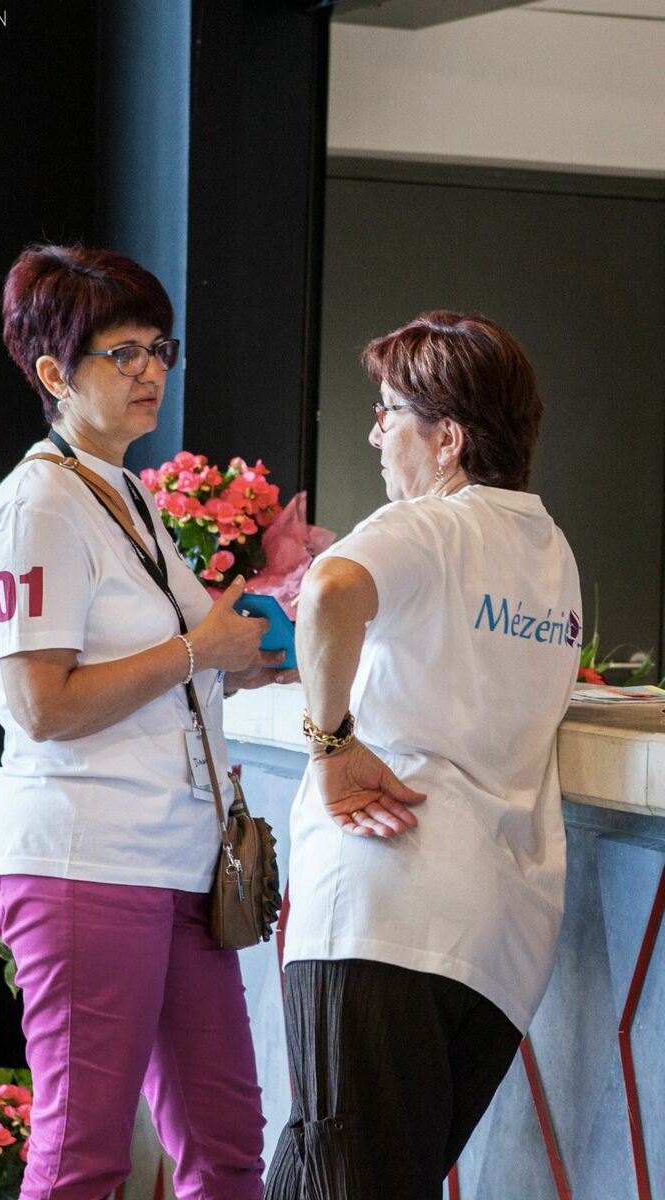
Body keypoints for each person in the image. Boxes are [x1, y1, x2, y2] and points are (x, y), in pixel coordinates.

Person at [0, 243, 296, 1200]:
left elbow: (171, 669)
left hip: (179, 865)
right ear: (53, 374)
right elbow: (40, 704)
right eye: (122, 353)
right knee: (84, 1158)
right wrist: (200, 651)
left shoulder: (126, 492)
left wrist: (246, 656)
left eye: (159, 348)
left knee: (228, 1148)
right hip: (84, 860)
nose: (150, 370)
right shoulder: (39, 503)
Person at [265, 311, 581, 1200]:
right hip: (494, 946)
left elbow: (329, 587)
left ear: (448, 440)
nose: (375, 434)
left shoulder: (435, 526)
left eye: (390, 412)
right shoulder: (551, 551)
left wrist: (332, 746)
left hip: (382, 913)